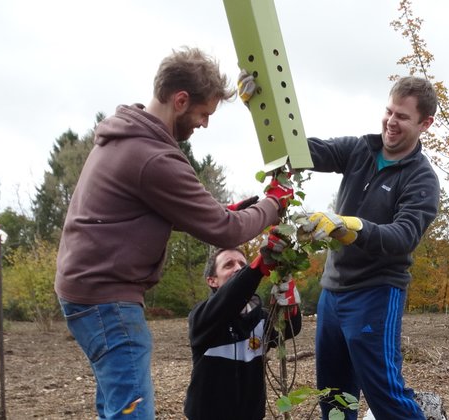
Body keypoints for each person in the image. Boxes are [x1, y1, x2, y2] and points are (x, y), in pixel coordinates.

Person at [54, 47, 293, 419]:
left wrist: (218, 211)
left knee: (117, 407)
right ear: (180, 100)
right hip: (108, 300)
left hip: (88, 292)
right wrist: (275, 203)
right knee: (132, 412)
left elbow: (146, 210)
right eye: (203, 113)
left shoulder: (128, 137)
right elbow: (225, 231)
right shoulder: (153, 156)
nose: (204, 124)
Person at [285, 76, 441, 419]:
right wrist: (264, 110)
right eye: (388, 111)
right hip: (332, 294)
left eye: (402, 116)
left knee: (385, 395)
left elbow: (403, 236)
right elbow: (304, 151)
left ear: (425, 124)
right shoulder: (360, 150)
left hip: (376, 294)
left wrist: (350, 226)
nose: (391, 121)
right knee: (334, 397)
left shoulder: (421, 179)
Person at [185, 234, 302, 419]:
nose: (238, 269)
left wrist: (290, 304)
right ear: (212, 280)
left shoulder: (261, 318)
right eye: (228, 265)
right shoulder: (202, 317)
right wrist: (257, 267)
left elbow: (288, 330)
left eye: (242, 264)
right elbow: (228, 299)